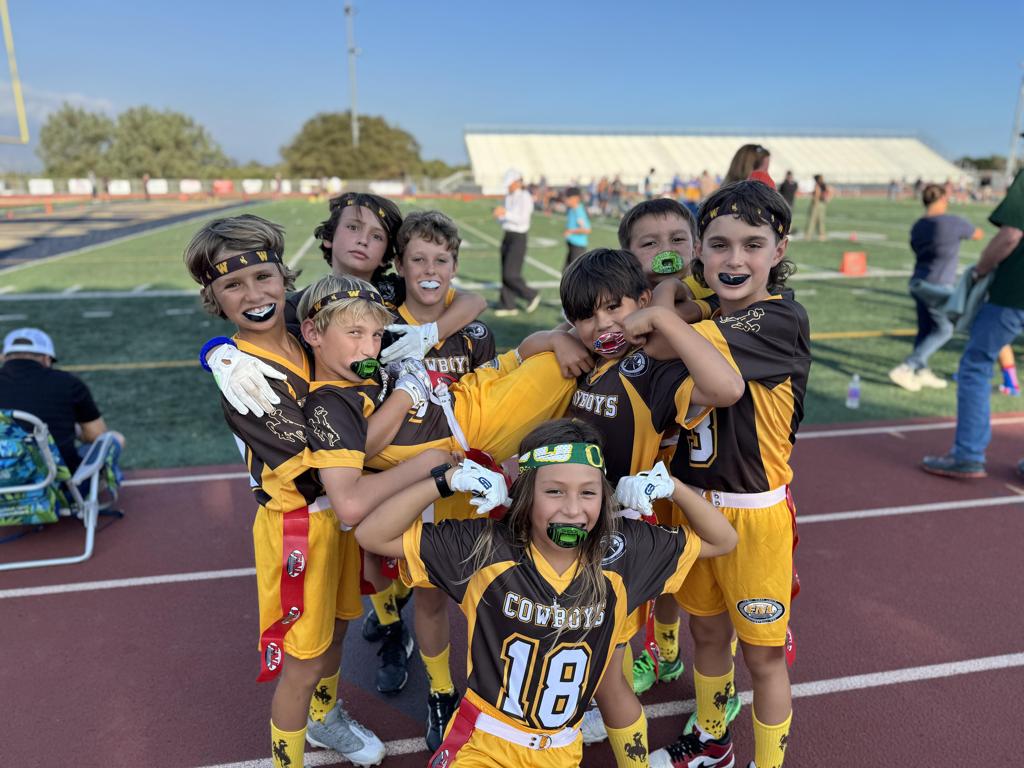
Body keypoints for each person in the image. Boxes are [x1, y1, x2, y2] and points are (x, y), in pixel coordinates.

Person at [355, 418, 737, 768]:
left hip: (563, 750)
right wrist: (446, 481)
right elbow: (372, 535)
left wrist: (673, 488)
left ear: (604, 496)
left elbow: (723, 540)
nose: (572, 509)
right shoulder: (486, 548)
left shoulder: (624, 554)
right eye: (554, 491)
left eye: (588, 492)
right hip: (484, 744)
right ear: (526, 493)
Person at [182, 215, 424, 768]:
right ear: (214, 298)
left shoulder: (297, 324)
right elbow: (325, 467)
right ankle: (288, 757)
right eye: (233, 286)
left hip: (339, 516)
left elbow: (350, 315)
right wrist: (405, 407)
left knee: (337, 630)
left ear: (283, 277)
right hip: (300, 525)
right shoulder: (246, 377)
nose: (254, 295)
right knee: (302, 660)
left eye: (264, 277)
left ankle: (325, 716)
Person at [649, 180, 809, 768]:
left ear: (779, 250)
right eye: (718, 244)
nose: (734, 259)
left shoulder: (779, 317)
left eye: (752, 244)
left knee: (763, 657)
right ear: (700, 250)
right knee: (708, 635)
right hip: (695, 503)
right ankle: (713, 740)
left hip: (753, 513)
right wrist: (677, 294)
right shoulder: (713, 312)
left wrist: (665, 302)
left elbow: (661, 341)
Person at [922, 171, 1024, 479]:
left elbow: (1010, 234)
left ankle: (968, 453)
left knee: (975, 365)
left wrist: (980, 269)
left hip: (1014, 293)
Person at [889, 184, 984, 391]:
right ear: (942, 199)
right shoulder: (952, 222)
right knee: (945, 329)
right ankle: (908, 367)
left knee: (925, 329)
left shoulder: (918, 225)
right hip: (939, 284)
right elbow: (978, 234)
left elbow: (914, 246)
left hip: (918, 280)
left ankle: (921, 371)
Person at [0, 328, 125, 475]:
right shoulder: (69, 383)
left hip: (3, 479)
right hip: (57, 482)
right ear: (47, 359)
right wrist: (74, 429)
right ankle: (101, 482)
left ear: (3, 357)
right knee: (115, 439)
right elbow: (96, 434)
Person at [493, 169, 540, 317]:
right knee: (504, 272)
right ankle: (508, 304)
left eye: (510, 184)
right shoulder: (508, 197)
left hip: (519, 237)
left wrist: (505, 213)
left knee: (511, 274)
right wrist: (500, 216)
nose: (508, 187)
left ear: (517, 182)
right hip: (508, 235)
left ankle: (531, 294)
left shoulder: (525, 197)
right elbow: (506, 220)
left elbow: (522, 219)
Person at [563, 186, 591, 268]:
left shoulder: (579, 211)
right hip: (572, 245)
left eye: (569, 198)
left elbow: (586, 230)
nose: (566, 200)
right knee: (566, 270)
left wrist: (570, 231)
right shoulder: (572, 209)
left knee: (573, 272)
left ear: (576, 198)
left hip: (578, 247)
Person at [805, 174, 829, 241]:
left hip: (817, 204)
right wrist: (827, 199)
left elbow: (817, 194)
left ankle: (808, 235)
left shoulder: (818, 185)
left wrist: (815, 201)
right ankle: (822, 235)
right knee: (821, 220)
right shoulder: (823, 184)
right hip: (822, 204)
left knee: (812, 220)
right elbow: (829, 191)